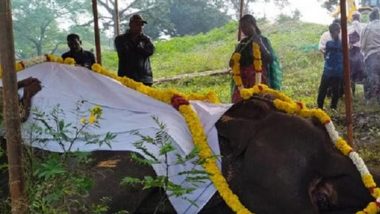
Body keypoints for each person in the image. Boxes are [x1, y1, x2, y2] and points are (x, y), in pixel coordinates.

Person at [229, 14, 273, 103]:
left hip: (258, 78)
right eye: (241, 27)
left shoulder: (262, 40)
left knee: (259, 102)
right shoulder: (242, 43)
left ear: (253, 24)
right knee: (240, 104)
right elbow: (232, 62)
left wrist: (260, 45)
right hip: (242, 81)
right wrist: (232, 62)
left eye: (245, 26)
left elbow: (270, 59)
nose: (243, 30)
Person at [114, 14, 155, 86]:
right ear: (130, 25)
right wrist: (137, 46)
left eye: (141, 24)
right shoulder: (120, 39)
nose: (140, 27)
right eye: (137, 24)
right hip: (126, 78)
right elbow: (123, 54)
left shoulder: (146, 39)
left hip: (145, 79)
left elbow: (150, 52)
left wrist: (138, 47)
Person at [317, 23, 343, 110]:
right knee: (324, 88)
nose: (335, 34)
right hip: (329, 69)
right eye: (333, 32)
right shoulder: (329, 42)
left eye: (337, 32)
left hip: (336, 69)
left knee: (335, 89)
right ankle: (320, 106)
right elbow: (323, 50)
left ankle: (333, 107)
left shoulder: (340, 42)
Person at [360, 7, 380, 103]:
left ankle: (371, 100)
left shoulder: (366, 28)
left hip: (372, 56)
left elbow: (362, 45)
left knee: (372, 78)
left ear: (370, 18)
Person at [348, 11, 365, 95]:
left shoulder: (349, 28)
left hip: (350, 52)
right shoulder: (360, 27)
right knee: (362, 71)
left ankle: (352, 92)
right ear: (358, 18)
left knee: (350, 72)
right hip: (358, 52)